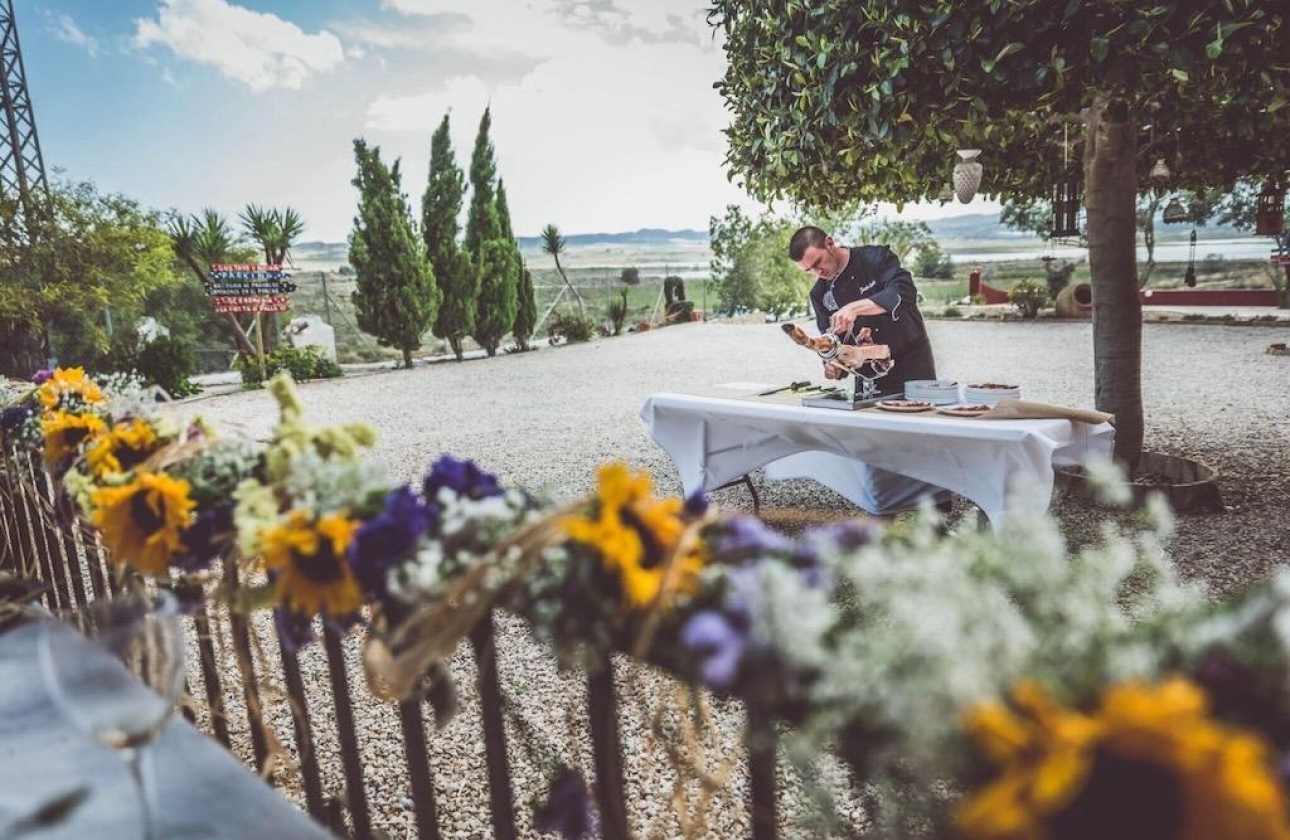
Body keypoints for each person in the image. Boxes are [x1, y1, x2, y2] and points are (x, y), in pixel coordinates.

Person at [789, 226, 937, 394]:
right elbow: (831, 342)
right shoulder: (819, 294)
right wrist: (833, 365)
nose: (818, 272)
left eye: (818, 262)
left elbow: (904, 292)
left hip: (911, 363)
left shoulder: (876, 258)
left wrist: (854, 308)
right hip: (868, 378)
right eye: (810, 270)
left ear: (829, 243)